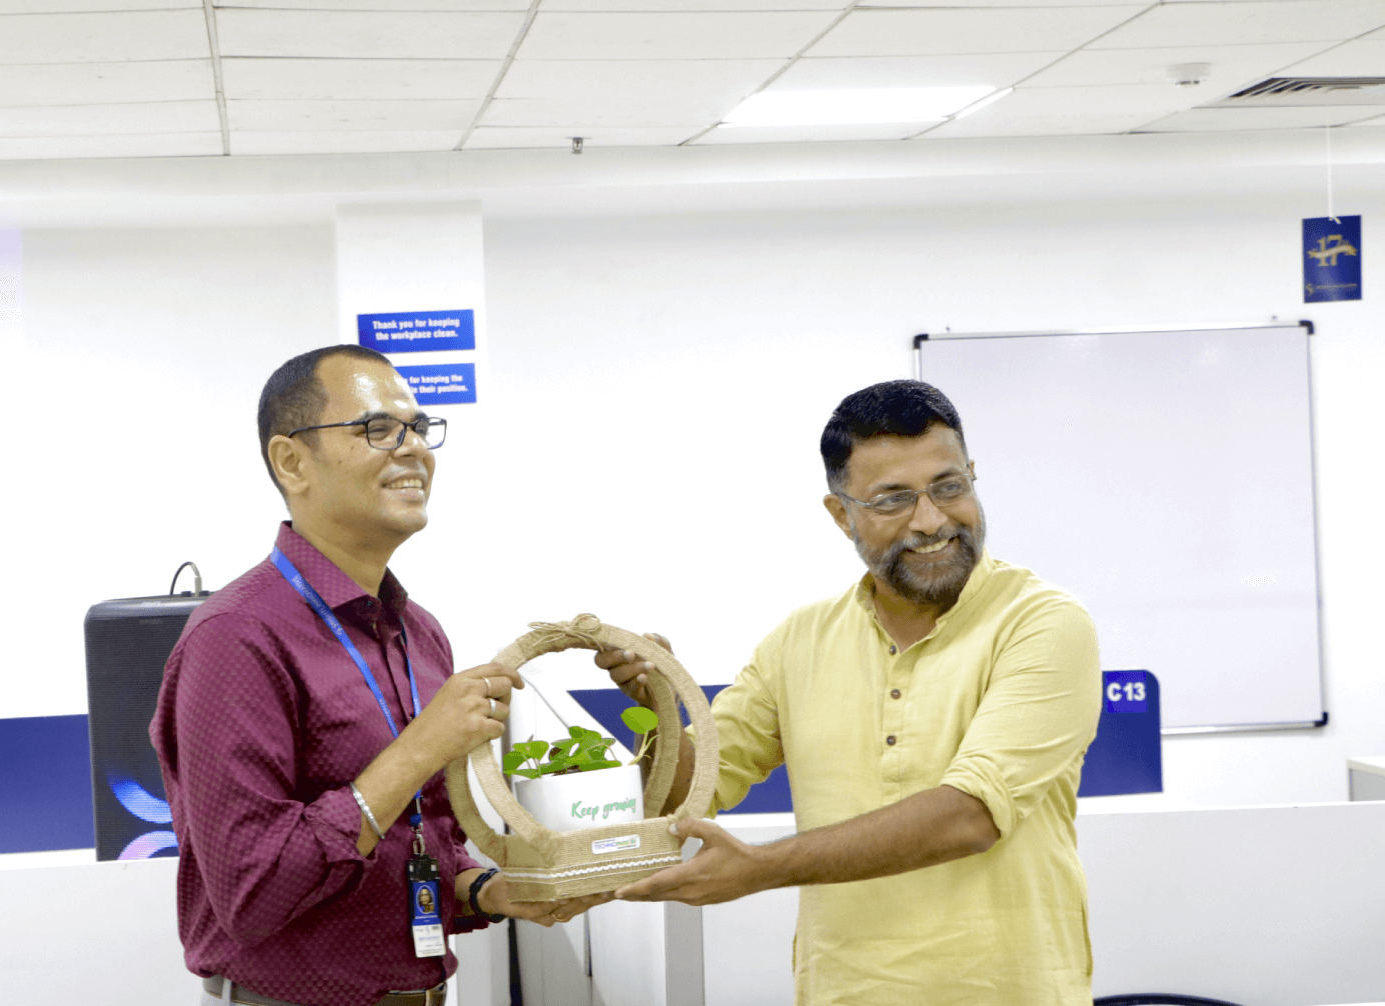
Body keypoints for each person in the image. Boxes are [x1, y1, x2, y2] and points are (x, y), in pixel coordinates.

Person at [599, 379, 1101, 1005]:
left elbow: (969, 816)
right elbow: (686, 796)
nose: (932, 520)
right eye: (893, 500)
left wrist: (761, 868)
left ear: (972, 475)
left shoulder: (1043, 622)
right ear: (842, 515)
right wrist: (661, 711)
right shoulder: (799, 640)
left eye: (949, 486)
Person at [151, 345, 604, 1006]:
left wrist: (489, 888)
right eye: (377, 429)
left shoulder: (419, 632)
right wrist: (420, 747)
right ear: (291, 461)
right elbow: (253, 892)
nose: (413, 449)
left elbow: (425, 838)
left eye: (419, 429)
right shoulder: (238, 637)